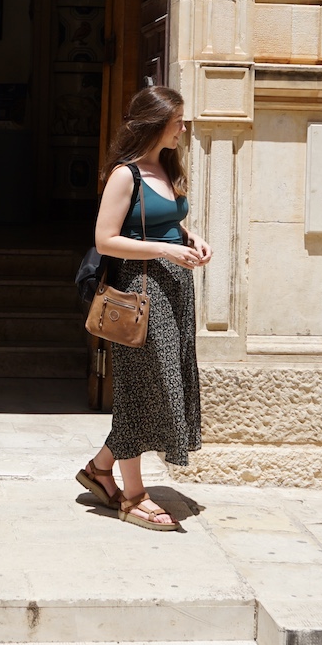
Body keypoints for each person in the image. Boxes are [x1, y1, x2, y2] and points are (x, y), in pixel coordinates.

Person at [76, 85, 212, 531]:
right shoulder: (125, 174)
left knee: (163, 380)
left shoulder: (166, 167)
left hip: (173, 290)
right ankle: (133, 495)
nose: (184, 127)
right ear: (156, 123)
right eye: (178, 120)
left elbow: (163, 220)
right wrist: (164, 251)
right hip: (139, 291)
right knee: (144, 385)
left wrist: (189, 237)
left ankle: (100, 469)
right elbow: (105, 239)